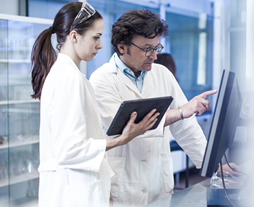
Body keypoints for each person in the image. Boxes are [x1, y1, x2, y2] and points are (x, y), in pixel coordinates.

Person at [89, 10, 239, 206]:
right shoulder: (102, 80)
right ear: (122, 47)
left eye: (156, 47)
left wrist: (212, 165)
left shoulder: (162, 74)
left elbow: (185, 127)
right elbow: (126, 126)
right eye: (146, 49)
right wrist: (181, 112)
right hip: (122, 187)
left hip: (158, 182)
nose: (154, 55)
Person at [31, 3, 159, 207]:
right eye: (96, 37)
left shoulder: (70, 75)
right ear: (74, 36)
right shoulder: (68, 79)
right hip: (72, 194)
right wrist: (123, 139)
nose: (100, 45)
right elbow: (69, 150)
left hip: (77, 188)